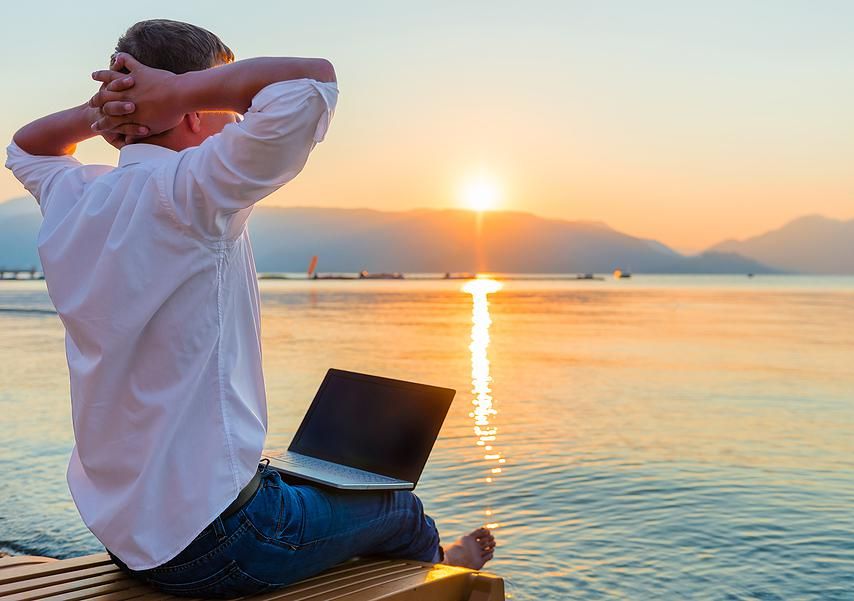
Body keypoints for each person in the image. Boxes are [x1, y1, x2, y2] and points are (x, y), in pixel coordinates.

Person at [5, 19, 495, 599]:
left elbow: (26, 144)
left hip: (130, 537)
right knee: (399, 507)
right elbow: (314, 81)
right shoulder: (196, 190)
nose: (236, 115)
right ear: (189, 111)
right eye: (224, 103)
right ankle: (446, 564)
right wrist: (179, 91)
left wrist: (109, 109)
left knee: (295, 474)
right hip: (219, 545)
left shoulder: (76, 197)